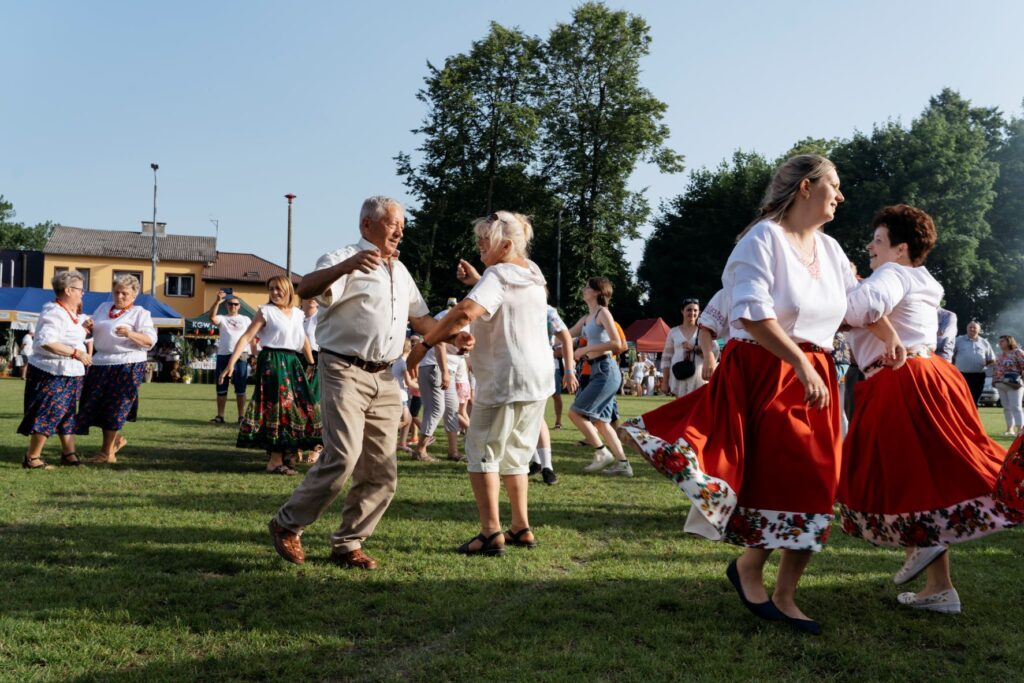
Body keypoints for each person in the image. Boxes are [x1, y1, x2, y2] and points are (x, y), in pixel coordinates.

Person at [620, 154, 854, 634]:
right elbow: (750, 314)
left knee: (818, 483)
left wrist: (893, 333)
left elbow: (856, 305)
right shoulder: (761, 238)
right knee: (778, 479)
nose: (841, 195)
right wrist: (798, 362)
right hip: (770, 371)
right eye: (834, 185)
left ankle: (783, 590)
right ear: (807, 187)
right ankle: (751, 568)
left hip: (817, 374)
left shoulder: (831, 250)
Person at [838, 204, 1024, 614]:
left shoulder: (892, 273)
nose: (870, 246)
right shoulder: (920, 277)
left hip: (899, 379)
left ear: (901, 248)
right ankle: (939, 588)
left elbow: (857, 311)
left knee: (906, 471)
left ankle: (924, 549)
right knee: (926, 473)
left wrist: (838, 289)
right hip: (926, 374)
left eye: (879, 240)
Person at [268, 196, 441, 570]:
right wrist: (347, 265)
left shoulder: (401, 271)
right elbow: (306, 287)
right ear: (367, 225)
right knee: (343, 455)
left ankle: (348, 543)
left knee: (381, 469)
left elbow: (424, 322)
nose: (401, 230)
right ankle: (287, 524)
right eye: (394, 223)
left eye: (403, 224)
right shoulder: (344, 258)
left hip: (385, 375)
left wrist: (454, 335)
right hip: (344, 369)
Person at [406, 211, 549, 555]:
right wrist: (478, 279)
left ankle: (489, 533)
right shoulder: (533, 274)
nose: (479, 246)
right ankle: (520, 527)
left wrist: (424, 345)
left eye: (485, 241)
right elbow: (505, 302)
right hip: (538, 377)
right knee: (516, 452)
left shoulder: (497, 275)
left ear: (507, 245)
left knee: (482, 451)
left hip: (506, 376)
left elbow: (463, 313)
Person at [219, 276, 320, 475]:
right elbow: (247, 337)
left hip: (293, 362)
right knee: (278, 408)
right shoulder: (266, 311)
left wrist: (311, 363)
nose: (274, 292)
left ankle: (288, 453)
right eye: (271, 289)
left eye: (278, 289)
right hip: (273, 361)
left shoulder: (298, 314)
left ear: (289, 290)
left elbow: (304, 339)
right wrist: (230, 364)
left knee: (297, 407)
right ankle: (274, 461)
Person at [75, 274, 157, 464]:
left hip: (127, 363)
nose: (119, 297)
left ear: (134, 295)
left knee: (116, 407)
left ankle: (107, 453)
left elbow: (150, 341)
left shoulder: (140, 313)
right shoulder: (104, 308)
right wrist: (88, 325)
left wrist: (130, 333)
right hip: (101, 362)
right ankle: (115, 441)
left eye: (124, 294)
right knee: (98, 407)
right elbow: (91, 329)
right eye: (116, 292)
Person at [18, 270, 92, 469]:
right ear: (68, 290)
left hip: (70, 373)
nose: (82, 293)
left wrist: (83, 329)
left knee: (67, 414)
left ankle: (69, 454)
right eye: (80, 289)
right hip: (52, 371)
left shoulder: (70, 313)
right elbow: (46, 341)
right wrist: (77, 353)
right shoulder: (54, 311)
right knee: (50, 412)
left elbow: (68, 334)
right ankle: (32, 457)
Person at [568, 277, 631, 476]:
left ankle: (601, 452)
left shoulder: (603, 313)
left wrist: (586, 348)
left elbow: (617, 344)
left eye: (587, 287)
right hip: (598, 370)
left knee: (575, 412)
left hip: (606, 370)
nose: (583, 289)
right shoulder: (587, 317)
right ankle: (623, 464)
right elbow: (566, 334)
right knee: (602, 422)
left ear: (597, 292)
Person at [528, 303, 578, 485]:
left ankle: (545, 465)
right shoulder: (513, 302)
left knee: (535, 416)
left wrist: (569, 371)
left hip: (538, 369)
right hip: (517, 368)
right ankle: (538, 462)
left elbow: (566, 337)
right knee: (526, 417)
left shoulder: (545, 309)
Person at [412, 301, 466, 463]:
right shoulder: (449, 317)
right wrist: (444, 372)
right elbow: (439, 344)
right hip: (434, 366)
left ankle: (453, 451)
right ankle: (420, 450)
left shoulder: (471, 322)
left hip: (448, 369)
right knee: (436, 408)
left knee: (452, 409)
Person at [209, 292, 254, 424]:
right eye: (230, 304)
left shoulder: (246, 319)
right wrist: (217, 301)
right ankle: (220, 416)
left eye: (235, 304)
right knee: (221, 386)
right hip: (224, 355)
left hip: (242, 355)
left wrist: (253, 354)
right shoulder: (222, 317)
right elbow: (211, 317)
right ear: (227, 305)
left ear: (239, 306)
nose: (233, 306)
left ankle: (241, 417)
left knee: (241, 387)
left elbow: (251, 337)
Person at [661, 299, 706, 398]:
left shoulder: (704, 331)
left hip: (699, 379)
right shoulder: (673, 332)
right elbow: (666, 358)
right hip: (679, 378)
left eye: (695, 310)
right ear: (682, 311)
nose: (692, 313)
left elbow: (713, 353)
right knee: (680, 410)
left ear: (699, 312)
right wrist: (665, 381)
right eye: (689, 310)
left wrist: (694, 348)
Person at [952, 320, 994, 405]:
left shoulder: (984, 342)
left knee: (975, 400)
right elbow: (950, 354)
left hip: (978, 376)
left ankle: (973, 417)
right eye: (970, 327)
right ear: (966, 328)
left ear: (979, 330)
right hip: (961, 375)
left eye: (974, 327)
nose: (971, 329)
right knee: (961, 399)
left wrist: (982, 364)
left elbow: (992, 359)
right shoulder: (958, 340)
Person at [993, 335, 1024, 436]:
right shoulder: (998, 355)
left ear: (1009, 341)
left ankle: (1021, 429)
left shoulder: (1018, 352)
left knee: (1016, 406)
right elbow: (995, 369)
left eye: (1002, 341)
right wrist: (994, 381)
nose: (1000, 343)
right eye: (999, 342)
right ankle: (1009, 429)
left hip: (1014, 384)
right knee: (1006, 407)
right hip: (1000, 383)